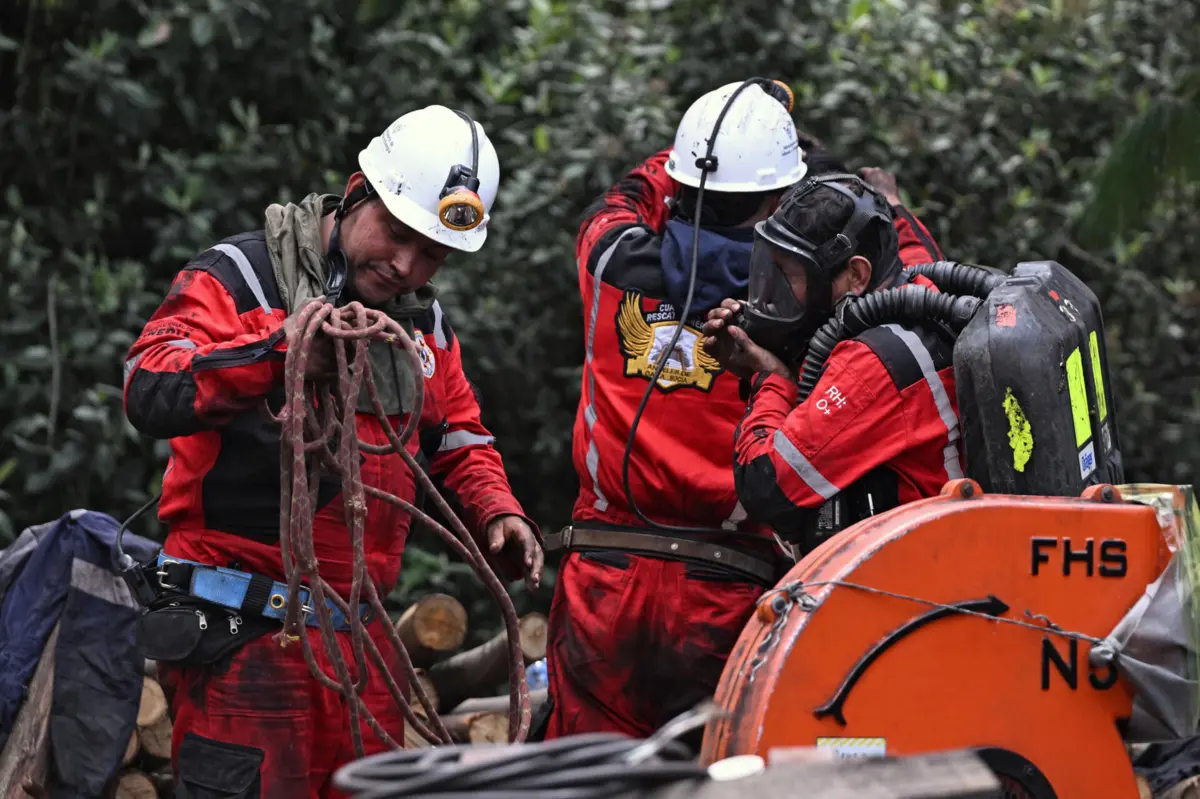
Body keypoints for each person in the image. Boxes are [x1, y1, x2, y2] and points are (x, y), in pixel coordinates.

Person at [122, 105, 542, 798]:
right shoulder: (240, 276)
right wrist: (278, 352)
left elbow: (457, 432)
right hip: (246, 641)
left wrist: (496, 508)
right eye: (398, 234)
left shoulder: (423, 325)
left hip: (361, 649)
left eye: (432, 253)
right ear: (357, 191)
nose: (408, 265)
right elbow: (148, 382)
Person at [541, 79, 943, 740]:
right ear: (783, 195)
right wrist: (889, 209)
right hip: (729, 594)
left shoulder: (609, 257)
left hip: (603, 580)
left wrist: (700, 150)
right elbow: (915, 279)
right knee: (727, 770)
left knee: (583, 776)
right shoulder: (803, 305)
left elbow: (624, 197)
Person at [701, 171, 958, 556]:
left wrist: (768, 378)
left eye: (789, 274)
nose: (773, 291)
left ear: (856, 275)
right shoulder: (915, 293)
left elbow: (767, 485)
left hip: (919, 586)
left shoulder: (875, 362)